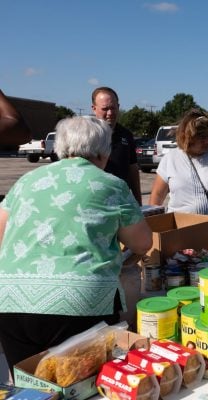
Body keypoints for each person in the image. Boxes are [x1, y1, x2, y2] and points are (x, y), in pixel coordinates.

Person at [0, 116, 152, 371]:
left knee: (29, 387)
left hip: (12, 301)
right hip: (81, 303)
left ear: (60, 147)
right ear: (105, 151)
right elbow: (142, 242)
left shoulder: (26, 181)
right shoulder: (111, 185)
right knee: (80, 385)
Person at [149, 109, 208, 249]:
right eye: (201, 137)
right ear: (186, 137)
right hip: (182, 230)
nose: (207, 141)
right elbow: (156, 198)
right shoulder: (171, 159)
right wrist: (152, 228)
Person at [91, 87, 142, 205]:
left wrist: (138, 202)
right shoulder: (86, 135)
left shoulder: (126, 135)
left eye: (113, 108)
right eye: (105, 109)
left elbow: (133, 169)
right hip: (95, 201)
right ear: (94, 108)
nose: (110, 113)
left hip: (121, 201)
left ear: (118, 107)